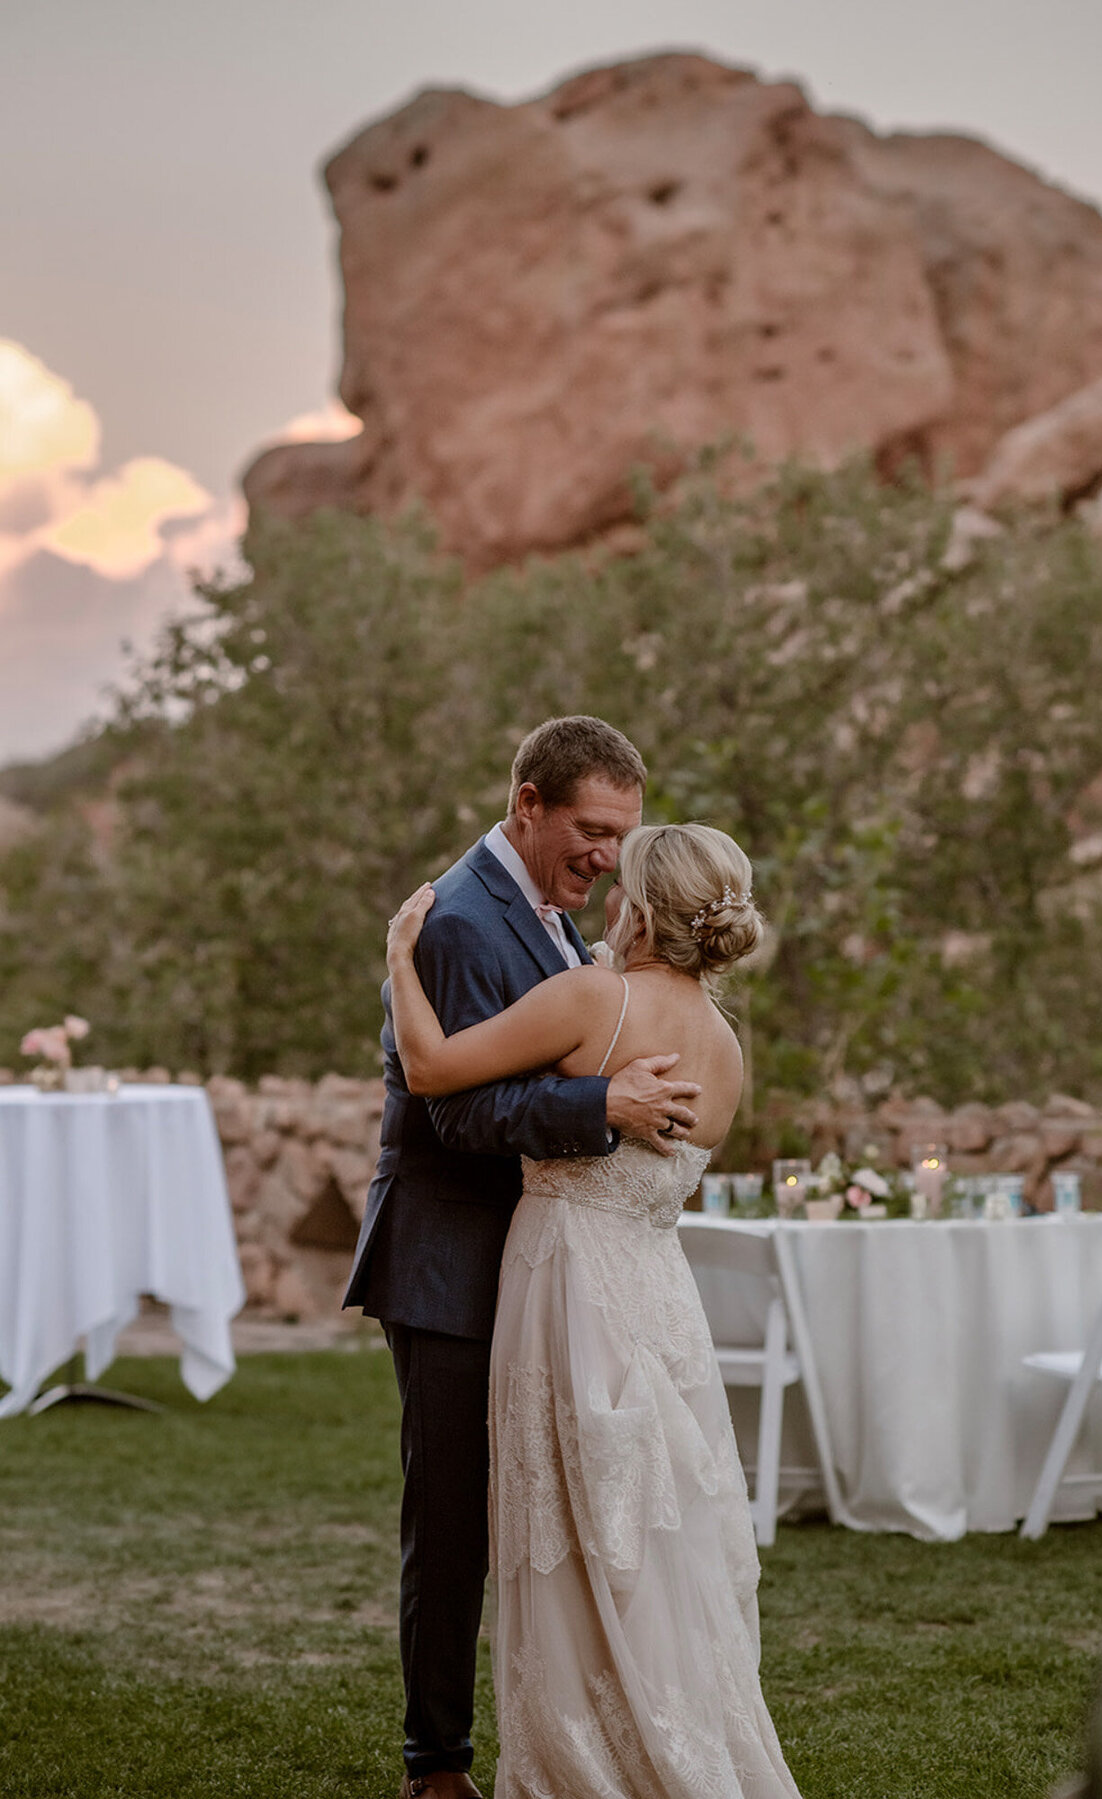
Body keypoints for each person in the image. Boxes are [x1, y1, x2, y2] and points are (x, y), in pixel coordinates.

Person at [386, 822, 804, 1799]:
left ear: (641, 909)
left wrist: (401, 959)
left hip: (567, 1283)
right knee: (652, 1530)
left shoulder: (592, 997)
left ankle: (583, 1754)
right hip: (658, 1297)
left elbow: (433, 1069)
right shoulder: (727, 1047)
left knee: (566, 1519)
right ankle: (676, 1726)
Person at [343, 717, 704, 1799]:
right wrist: (607, 1101)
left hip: (533, 1259)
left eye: (622, 836)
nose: (606, 854)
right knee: (452, 1520)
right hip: (449, 1264)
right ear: (528, 805)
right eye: (591, 829)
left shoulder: (545, 915)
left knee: (549, 1512)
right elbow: (454, 1114)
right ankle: (437, 1765)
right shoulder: (458, 920)